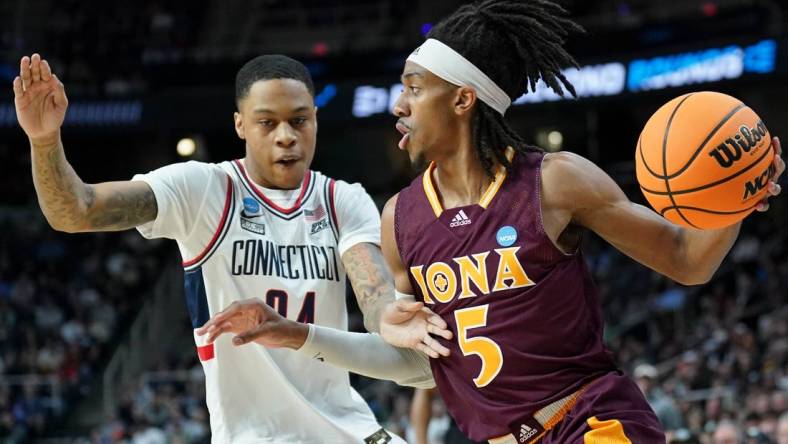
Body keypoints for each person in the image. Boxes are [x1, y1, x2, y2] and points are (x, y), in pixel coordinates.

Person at [195, 1, 785, 443]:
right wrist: (295, 334)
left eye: (413, 88)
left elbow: (687, 260)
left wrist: (732, 199)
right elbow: (419, 364)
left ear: (462, 99)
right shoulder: (400, 219)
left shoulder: (555, 181)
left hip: (591, 423)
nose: (397, 104)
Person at [13, 52, 431, 443]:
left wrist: (393, 316)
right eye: (267, 123)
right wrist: (45, 142)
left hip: (347, 429)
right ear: (240, 125)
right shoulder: (203, 189)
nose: (286, 137)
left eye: (299, 121)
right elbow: (77, 211)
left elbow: (375, 296)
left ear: (316, 120)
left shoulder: (343, 199)